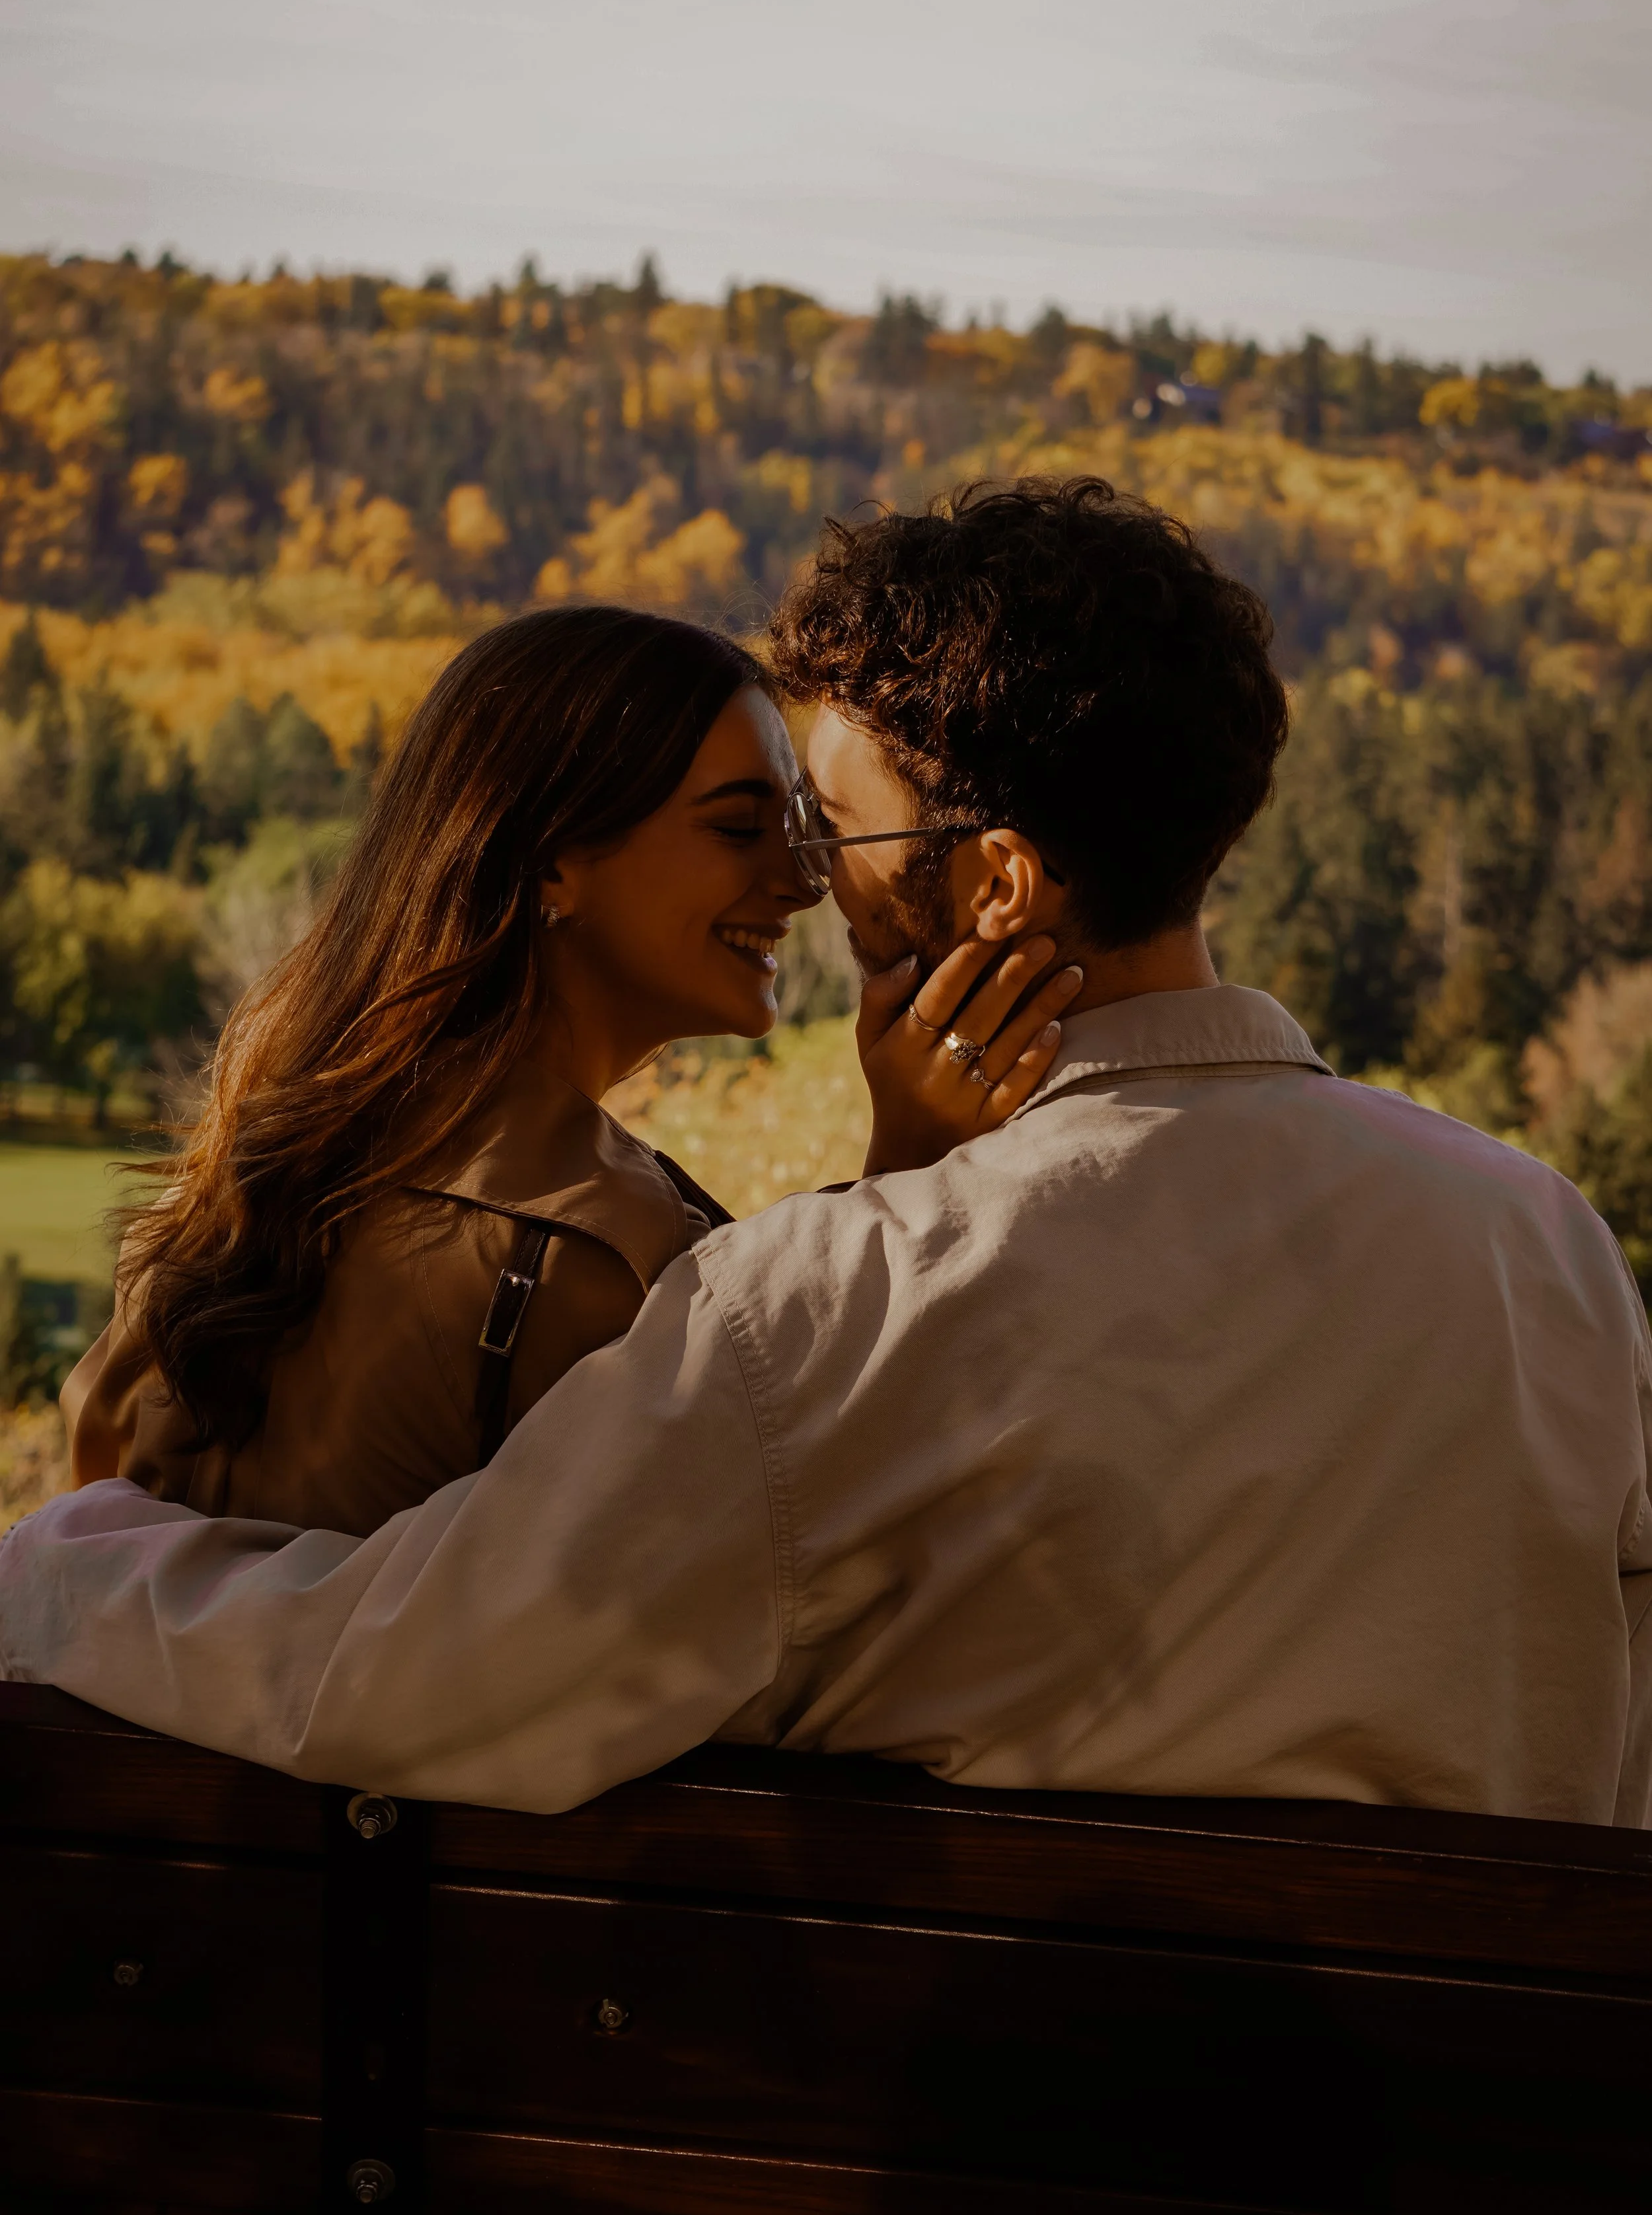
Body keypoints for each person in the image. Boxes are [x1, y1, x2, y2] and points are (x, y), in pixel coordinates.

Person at [4, 478, 1649, 1829]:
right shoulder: (1544, 1250)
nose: (812, 879)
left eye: (836, 829)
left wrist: (74, 1569)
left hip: (985, 2188)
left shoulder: (825, 1306)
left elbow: (413, 1686)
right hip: (1487, 2194)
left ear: (996, 886)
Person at [60, 601, 1073, 1534]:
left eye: (807, 826)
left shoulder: (263, 1146)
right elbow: (789, 1558)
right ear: (553, 858)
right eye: (735, 826)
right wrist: (905, 1182)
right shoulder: (598, 1258)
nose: (802, 880)